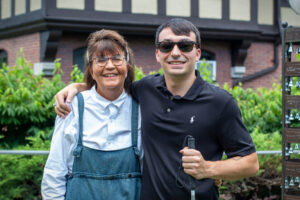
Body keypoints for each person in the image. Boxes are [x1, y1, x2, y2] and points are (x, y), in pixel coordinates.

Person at [54, 18, 259, 200]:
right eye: (167, 46)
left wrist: (209, 169)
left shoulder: (221, 102)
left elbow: (250, 163)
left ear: (197, 54)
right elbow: (110, 83)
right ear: (157, 54)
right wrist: (76, 88)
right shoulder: (145, 89)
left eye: (185, 46)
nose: (176, 53)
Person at [41, 29, 142, 200]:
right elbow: (55, 171)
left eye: (117, 58)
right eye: (101, 60)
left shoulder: (142, 107)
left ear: (127, 66)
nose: (110, 66)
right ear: (91, 69)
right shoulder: (72, 107)